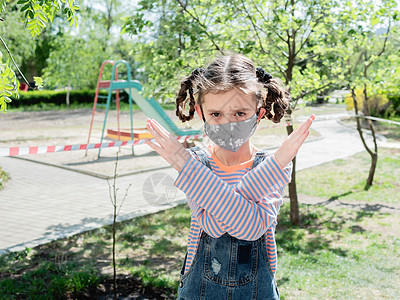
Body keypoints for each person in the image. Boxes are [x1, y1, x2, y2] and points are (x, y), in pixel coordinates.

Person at [144, 53, 315, 300]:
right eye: (216, 114)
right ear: (200, 112)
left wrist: (186, 166)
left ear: (258, 113)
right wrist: (270, 171)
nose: (228, 124)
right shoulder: (198, 162)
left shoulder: (273, 164)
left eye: (240, 114)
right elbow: (212, 227)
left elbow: (252, 227)